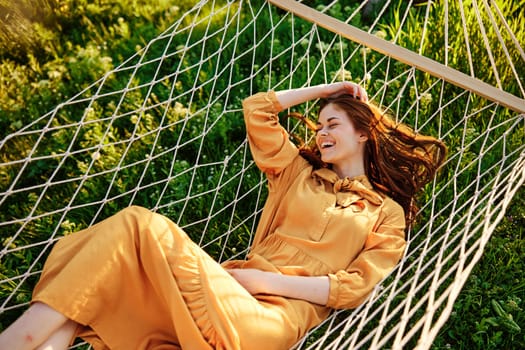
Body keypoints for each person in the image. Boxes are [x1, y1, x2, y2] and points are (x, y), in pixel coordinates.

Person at [0, 81, 446, 350]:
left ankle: (17, 340)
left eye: (333, 123)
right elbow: (258, 110)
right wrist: (324, 93)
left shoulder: (386, 213)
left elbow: (355, 287)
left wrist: (264, 282)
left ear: (364, 132)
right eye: (319, 124)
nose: (323, 133)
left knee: (137, 224)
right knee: (102, 263)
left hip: (269, 322)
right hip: (223, 295)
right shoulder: (297, 174)